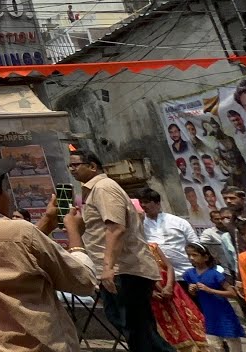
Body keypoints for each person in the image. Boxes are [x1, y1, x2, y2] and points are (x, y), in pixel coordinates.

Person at [0, 157, 96, 352]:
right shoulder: (21, 231)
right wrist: (74, 232)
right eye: (5, 190)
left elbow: (14, 251)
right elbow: (84, 280)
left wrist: (46, 222)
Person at [69, 150, 175, 352]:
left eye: (76, 164)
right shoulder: (92, 191)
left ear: (92, 166)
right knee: (131, 328)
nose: (73, 169)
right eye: (70, 166)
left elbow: (116, 228)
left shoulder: (103, 188)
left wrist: (108, 267)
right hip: (116, 270)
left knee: (139, 333)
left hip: (124, 270)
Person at [182, 242, 246, 350]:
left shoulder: (215, 274)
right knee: (213, 344)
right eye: (189, 255)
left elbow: (232, 293)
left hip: (223, 312)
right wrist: (192, 290)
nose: (191, 258)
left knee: (232, 341)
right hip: (208, 314)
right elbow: (194, 295)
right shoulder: (189, 274)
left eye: (195, 255)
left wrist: (210, 290)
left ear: (205, 257)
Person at [146, 242, 207, 352]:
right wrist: (150, 292)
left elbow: (169, 267)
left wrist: (169, 286)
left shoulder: (152, 247)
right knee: (167, 327)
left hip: (172, 289)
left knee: (188, 319)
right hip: (153, 294)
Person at [140, 188, 201, 282]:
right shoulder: (140, 225)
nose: (143, 205)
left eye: (147, 202)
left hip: (186, 273)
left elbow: (195, 245)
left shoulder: (178, 222)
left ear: (157, 203)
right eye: (141, 202)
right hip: (160, 278)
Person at [201, 209, 239, 275]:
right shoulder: (209, 233)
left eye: (228, 218)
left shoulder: (236, 231)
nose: (220, 221)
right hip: (223, 268)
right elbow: (203, 246)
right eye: (217, 219)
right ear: (212, 220)